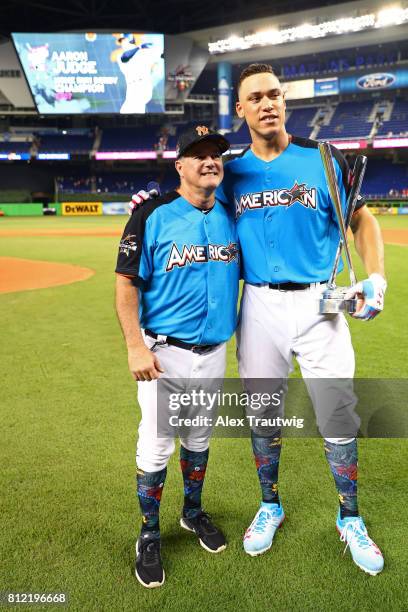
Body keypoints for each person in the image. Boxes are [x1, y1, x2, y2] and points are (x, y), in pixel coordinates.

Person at [129, 64, 387, 576]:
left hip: (320, 304)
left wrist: (375, 277)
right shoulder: (234, 169)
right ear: (241, 110)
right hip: (260, 305)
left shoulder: (322, 158)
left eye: (274, 94)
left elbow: (362, 218)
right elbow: (194, 202)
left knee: (338, 414)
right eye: (255, 98)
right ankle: (270, 504)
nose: (267, 103)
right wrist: (150, 204)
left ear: (283, 102)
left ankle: (350, 517)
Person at [115, 125, 239, 588]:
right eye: (198, 154)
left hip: (214, 350)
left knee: (201, 436)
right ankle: (148, 534)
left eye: (216, 155)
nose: (210, 161)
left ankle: (192, 513)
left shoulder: (231, 213)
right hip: (164, 354)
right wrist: (134, 346)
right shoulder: (152, 214)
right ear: (179, 165)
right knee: (157, 442)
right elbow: (126, 281)